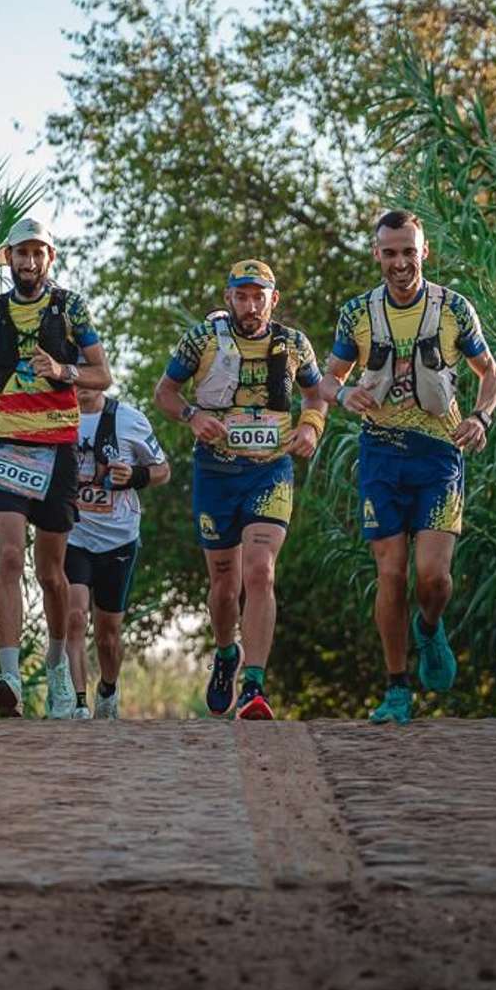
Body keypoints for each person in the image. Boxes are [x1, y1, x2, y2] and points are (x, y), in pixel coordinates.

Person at [319, 209, 496, 726]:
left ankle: (430, 626)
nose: (400, 263)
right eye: (390, 252)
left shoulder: (453, 309)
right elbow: (326, 379)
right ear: (377, 254)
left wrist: (481, 416)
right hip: (380, 453)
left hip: (439, 454)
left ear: (424, 252)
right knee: (391, 573)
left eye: (409, 251)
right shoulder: (358, 313)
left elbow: (491, 373)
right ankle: (397, 688)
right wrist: (342, 394)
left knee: (433, 578)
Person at [0, 217, 113, 717]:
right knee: (10, 555)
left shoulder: (70, 307)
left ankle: (57, 667)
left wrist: (63, 371)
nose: (29, 262)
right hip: (6, 443)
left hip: (56, 447)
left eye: (38, 253)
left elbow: (104, 372)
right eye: (21, 253)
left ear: (49, 258)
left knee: (51, 573)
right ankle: (9, 674)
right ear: (8, 259)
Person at [153, 259, 327, 720]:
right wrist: (192, 416)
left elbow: (315, 395)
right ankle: (227, 652)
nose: (251, 306)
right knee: (225, 588)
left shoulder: (293, 343)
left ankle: (254, 686)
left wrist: (311, 427)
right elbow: (164, 392)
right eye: (242, 296)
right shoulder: (202, 340)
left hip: (270, 473)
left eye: (259, 297)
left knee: (260, 571)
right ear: (228, 298)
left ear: (274, 299)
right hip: (215, 473)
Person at [55, 387, 171, 719]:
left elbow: (163, 470)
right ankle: (78, 703)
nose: (85, 381)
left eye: (92, 371)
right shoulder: (57, 415)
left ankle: (107, 689)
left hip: (118, 539)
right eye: (77, 370)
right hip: (74, 534)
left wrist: (135, 475)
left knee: (108, 636)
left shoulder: (130, 420)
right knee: (75, 618)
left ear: (103, 377)